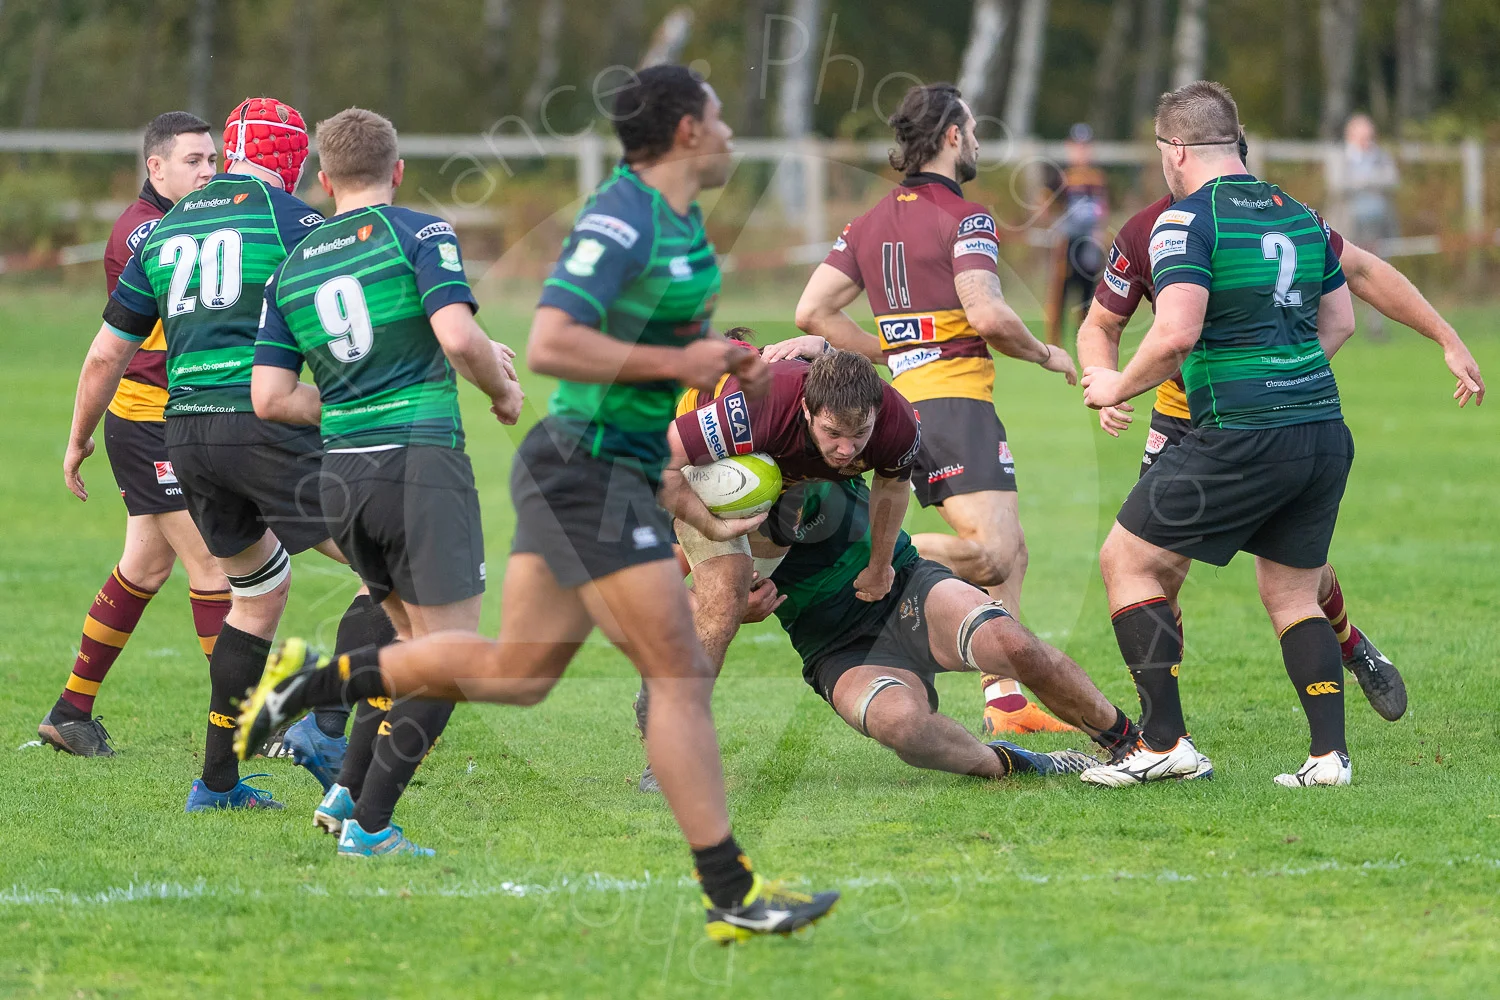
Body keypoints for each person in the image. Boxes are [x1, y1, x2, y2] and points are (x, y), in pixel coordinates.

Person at [235, 66, 839, 941]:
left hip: (602, 466)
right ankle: (733, 897)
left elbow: (639, 365)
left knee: (517, 673)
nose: (730, 135)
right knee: (676, 672)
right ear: (684, 132)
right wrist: (687, 363)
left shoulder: (679, 228)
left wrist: (713, 395)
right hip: (582, 468)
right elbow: (553, 342)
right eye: (718, 118)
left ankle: (322, 682)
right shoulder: (621, 217)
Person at [1076, 131, 1485, 722]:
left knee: (1291, 570)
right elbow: (1100, 324)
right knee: (1157, 570)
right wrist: (1106, 380)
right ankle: (1162, 724)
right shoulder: (1148, 229)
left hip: (1254, 421)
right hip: (1180, 415)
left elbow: (1363, 272)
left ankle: (1348, 643)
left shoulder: (1274, 217)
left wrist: (1442, 336)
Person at [62, 97, 387, 810]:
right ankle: (325, 726)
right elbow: (354, 317)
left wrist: (80, 436)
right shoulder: (295, 222)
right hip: (263, 428)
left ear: (232, 152)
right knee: (391, 561)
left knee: (257, 593)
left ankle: (216, 784)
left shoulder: (163, 230)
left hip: (186, 435)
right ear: (295, 161)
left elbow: (106, 354)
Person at [251, 108, 526, 856]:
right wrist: (501, 390)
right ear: (398, 170)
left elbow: (270, 398)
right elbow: (457, 335)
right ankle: (370, 827)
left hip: (342, 479)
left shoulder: (289, 269)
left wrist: (349, 402)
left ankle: (347, 789)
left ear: (322, 180)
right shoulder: (419, 232)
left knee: (407, 644)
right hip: (419, 467)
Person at [1078, 81, 1363, 788]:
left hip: (1240, 435)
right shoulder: (1297, 212)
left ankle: (1163, 744)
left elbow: (1176, 333)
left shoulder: (1184, 221)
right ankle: (1328, 758)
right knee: (1293, 594)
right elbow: (1342, 321)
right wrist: (1285, 376)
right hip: (1321, 431)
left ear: (1175, 149)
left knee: (1127, 561)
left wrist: (1115, 386)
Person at [793, 82, 1078, 736]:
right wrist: (1044, 353)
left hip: (907, 398)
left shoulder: (866, 222)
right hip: (954, 404)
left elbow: (813, 310)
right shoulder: (966, 217)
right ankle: (856, 557)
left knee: (1014, 549)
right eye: (972, 131)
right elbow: (988, 314)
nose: (975, 142)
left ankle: (1006, 702)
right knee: (993, 553)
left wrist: (893, 350)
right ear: (952, 136)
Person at [738, 475, 1152, 780]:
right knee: (904, 726)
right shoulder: (711, 490)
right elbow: (698, 597)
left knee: (1013, 645)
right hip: (834, 643)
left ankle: (1132, 743)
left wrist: (880, 563)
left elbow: (893, 466)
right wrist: (738, 605)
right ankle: (1019, 763)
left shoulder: (821, 422)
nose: (845, 448)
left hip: (904, 583)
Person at [40, 112, 229, 757]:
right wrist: (78, 437)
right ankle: (249, 722)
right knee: (214, 567)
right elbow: (111, 352)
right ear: (156, 167)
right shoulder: (146, 231)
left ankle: (70, 711)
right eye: (193, 161)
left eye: (213, 160)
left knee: (145, 567)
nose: (208, 172)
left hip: (171, 419)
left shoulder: (184, 221)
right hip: (151, 423)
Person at [1043, 123, 1109, 348]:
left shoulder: (1097, 177)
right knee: (1060, 293)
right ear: (1069, 147)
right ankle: (1054, 344)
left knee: (1088, 294)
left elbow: (1103, 208)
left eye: (1086, 146)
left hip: (1089, 243)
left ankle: (1086, 341)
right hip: (1067, 242)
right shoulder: (1061, 177)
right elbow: (1045, 206)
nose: (1082, 151)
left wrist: (1101, 231)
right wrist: (1056, 226)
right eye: (1078, 146)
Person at [1340, 114, 1400, 340]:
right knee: (1342, 273)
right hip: (1349, 226)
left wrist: (1362, 180)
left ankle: (1376, 325)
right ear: (1351, 136)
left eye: (1370, 136)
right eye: (1363, 137)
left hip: (1378, 226)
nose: (1367, 141)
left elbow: (1392, 180)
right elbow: (1337, 184)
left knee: (1378, 272)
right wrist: (1369, 181)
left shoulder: (1381, 156)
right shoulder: (1340, 157)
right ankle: (1342, 322)